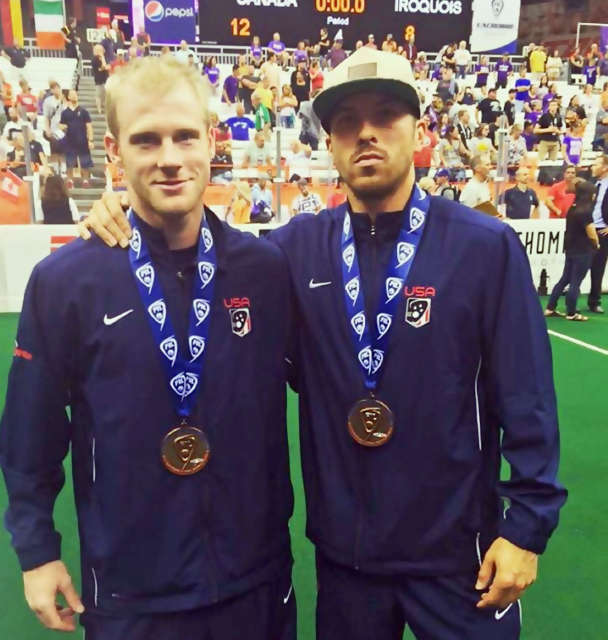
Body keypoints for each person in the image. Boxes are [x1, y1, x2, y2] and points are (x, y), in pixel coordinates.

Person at [85, 49, 568, 638]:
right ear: (330, 143)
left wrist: (526, 529)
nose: (366, 132)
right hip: (347, 562)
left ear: (419, 128)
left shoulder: (484, 247)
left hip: (460, 557)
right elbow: (198, 247)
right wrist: (121, 210)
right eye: (346, 121)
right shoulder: (290, 253)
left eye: (386, 114)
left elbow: (528, 399)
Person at [0, 55, 295, 640]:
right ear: (114, 150)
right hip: (132, 594)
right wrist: (37, 552)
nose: (168, 158)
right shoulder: (66, 282)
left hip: (253, 582)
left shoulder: (265, 270)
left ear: (212, 142)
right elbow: (28, 436)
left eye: (185, 136)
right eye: (146, 140)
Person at [545, 179, 600, 320]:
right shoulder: (586, 211)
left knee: (565, 278)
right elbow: (591, 232)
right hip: (583, 249)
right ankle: (571, 312)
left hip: (570, 248)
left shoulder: (573, 208)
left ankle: (551, 307)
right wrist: (596, 244)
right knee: (576, 281)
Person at [59, 89, 93, 188]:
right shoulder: (65, 113)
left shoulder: (84, 111)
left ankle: (86, 180)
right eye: (72, 94)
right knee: (70, 162)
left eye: (76, 94)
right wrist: (61, 127)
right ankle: (70, 180)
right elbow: (61, 125)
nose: (75, 96)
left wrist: (90, 140)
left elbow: (89, 126)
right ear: (68, 97)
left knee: (85, 162)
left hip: (83, 140)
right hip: (70, 141)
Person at [587, 154, 608, 313]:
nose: (592, 167)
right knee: (576, 265)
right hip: (587, 229)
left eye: (596, 164)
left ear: (605, 167)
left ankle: (594, 300)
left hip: (602, 231)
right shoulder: (593, 184)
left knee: (598, 268)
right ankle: (570, 298)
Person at [91, 44, 109, 115]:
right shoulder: (95, 59)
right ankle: (99, 109)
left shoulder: (102, 58)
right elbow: (103, 67)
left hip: (105, 79)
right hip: (99, 80)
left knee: (105, 95)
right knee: (99, 95)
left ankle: (104, 108)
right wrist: (103, 58)